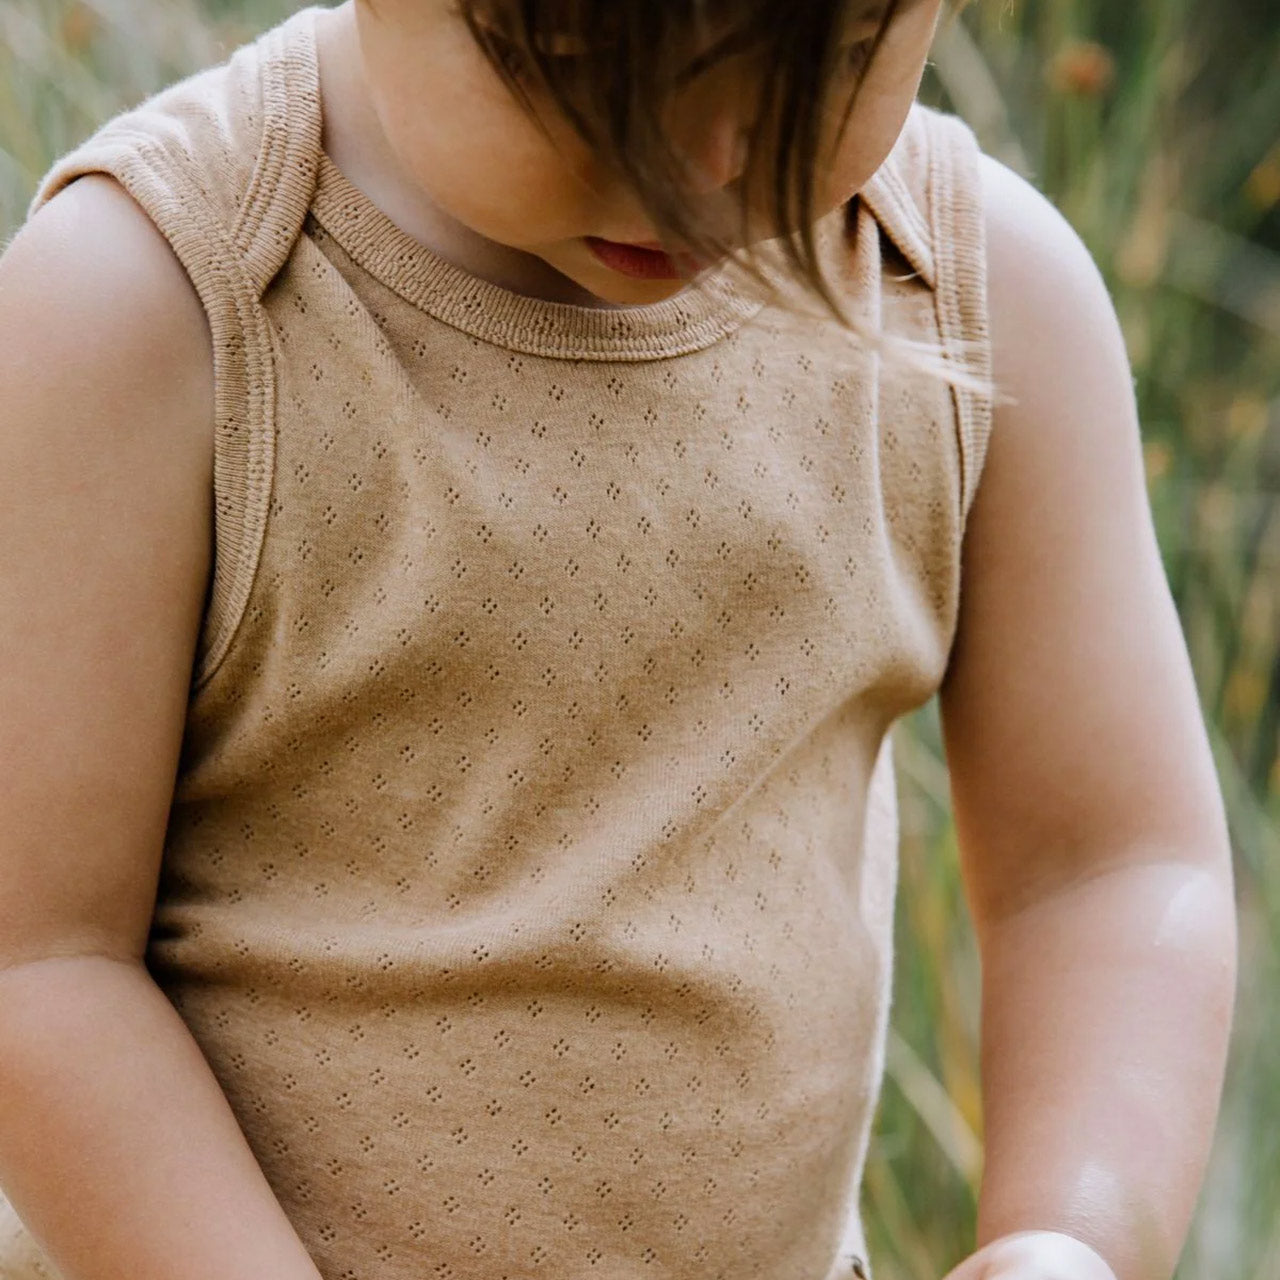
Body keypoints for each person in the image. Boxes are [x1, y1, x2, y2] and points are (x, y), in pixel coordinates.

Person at [0, 1, 1238, 1279]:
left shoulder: (971, 300)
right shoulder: (158, 304)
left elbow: (1105, 865)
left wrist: (1070, 1240)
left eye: (834, 52)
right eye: (578, 62)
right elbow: (37, 958)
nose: (700, 160)